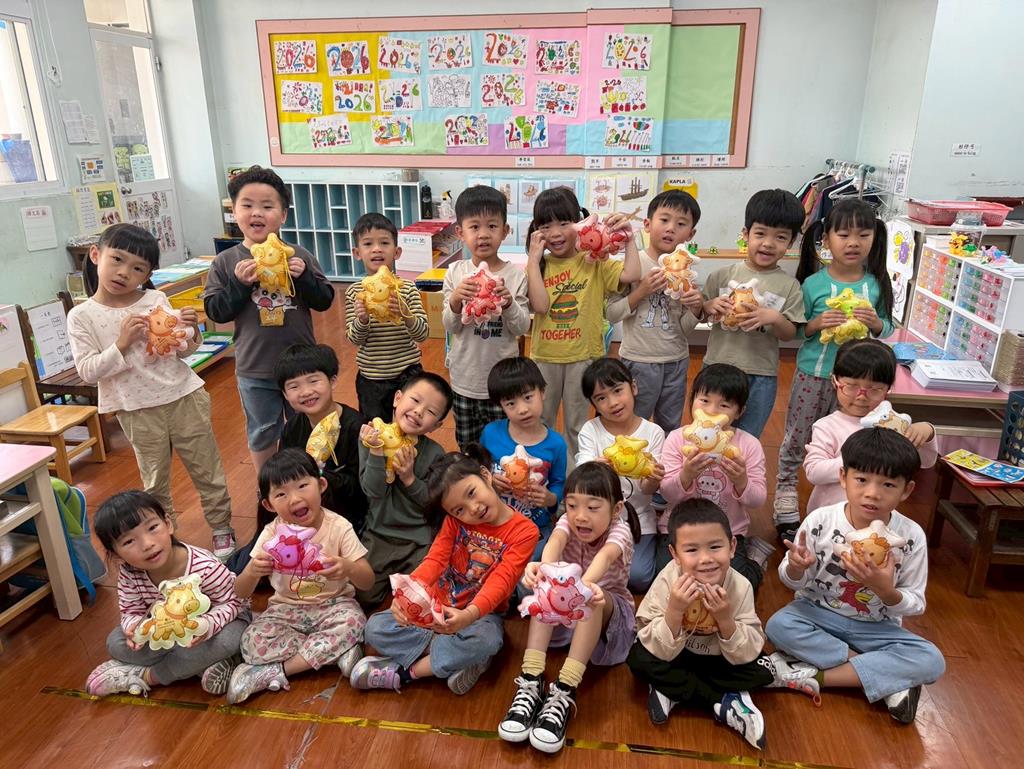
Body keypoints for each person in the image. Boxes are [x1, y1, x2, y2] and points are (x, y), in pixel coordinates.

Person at [68, 224, 236, 559]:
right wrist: (121, 343)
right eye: (117, 259)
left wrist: (191, 331)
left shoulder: (155, 299)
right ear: (96, 255)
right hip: (137, 409)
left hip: (184, 396)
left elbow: (183, 351)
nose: (124, 273)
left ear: (148, 275)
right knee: (155, 482)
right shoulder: (82, 316)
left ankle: (221, 528)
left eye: (138, 268)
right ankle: (164, 539)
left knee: (207, 469)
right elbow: (88, 371)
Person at [766, 428, 946, 725]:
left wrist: (886, 591)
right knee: (778, 625)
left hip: (876, 627)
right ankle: (887, 679)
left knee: (932, 660)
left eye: (888, 484)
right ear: (843, 477)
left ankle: (815, 677)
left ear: (907, 490)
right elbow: (790, 580)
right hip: (816, 614)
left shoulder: (910, 536)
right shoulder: (821, 521)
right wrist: (796, 568)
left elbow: (916, 602)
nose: (872, 493)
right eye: (861, 480)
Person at [627, 499, 818, 751]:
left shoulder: (740, 585)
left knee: (762, 671)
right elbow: (646, 630)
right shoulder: (668, 580)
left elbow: (749, 646)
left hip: (719, 659)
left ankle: (670, 690)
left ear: (732, 547)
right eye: (691, 550)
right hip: (678, 656)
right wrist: (674, 610)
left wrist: (726, 619)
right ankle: (723, 700)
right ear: (674, 555)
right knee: (638, 659)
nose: (706, 559)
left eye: (715, 547)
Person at [350, 448, 539, 695]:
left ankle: (408, 673)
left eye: (471, 493)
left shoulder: (525, 531)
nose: (473, 508)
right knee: (375, 628)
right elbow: (435, 560)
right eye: (459, 509)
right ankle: (459, 657)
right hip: (436, 609)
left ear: (485, 475)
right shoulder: (454, 522)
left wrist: (468, 616)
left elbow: (501, 582)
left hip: (480, 616)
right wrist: (407, 596)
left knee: (487, 639)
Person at [774, 199, 895, 540]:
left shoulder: (876, 284)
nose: (853, 243)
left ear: (874, 238)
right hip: (813, 374)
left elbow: (888, 327)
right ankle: (785, 490)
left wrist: (875, 323)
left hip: (858, 382)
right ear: (826, 239)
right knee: (799, 435)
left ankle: (843, 498)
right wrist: (816, 324)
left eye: (863, 235)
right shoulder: (812, 284)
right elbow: (795, 330)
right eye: (843, 235)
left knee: (850, 438)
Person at [498, 462, 638, 754]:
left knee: (588, 597)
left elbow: (604, 559)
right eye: (572, 505)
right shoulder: (567, 521)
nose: (580, 516)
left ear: (616, 509)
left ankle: (565, 688)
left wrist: (577, 588)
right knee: (547, 585)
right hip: (567, 609)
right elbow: (555, 541)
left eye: (593, 507)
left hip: (608, 615)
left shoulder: (620, 531)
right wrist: (546, 572)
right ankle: (531, 678)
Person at [204, 166, 335, 473]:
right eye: (247, 205)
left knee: (307, 425)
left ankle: (310, 481)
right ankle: (267, 486)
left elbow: (325, 300)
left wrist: (305, 278)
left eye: (267, 206)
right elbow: (216, 311)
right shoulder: (226, 262)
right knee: (262, 430)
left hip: (300, 366)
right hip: (254, 366)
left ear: (283, 214)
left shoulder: (298, 255)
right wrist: (239, 285)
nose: (257, 213)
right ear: (234, 212)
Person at [227, 449, 374, 704]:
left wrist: (348, 568)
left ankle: (276, 671)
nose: (294, 499)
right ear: (268, 505)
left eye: (303, 486)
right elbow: (240, 592)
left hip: (334, 606)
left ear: (321, 485)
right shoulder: (271, 535)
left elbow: (368, 581)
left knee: (355, 623)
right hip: (285, 610)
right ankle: (335, 653)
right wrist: (251, 572)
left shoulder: (339, 527)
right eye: (281, 494)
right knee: (251, 641)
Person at [84, 491, 247, 697]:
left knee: (230, 639)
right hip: (169, 633)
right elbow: (131, 611)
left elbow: (235, 603)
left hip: (218, 625)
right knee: (115, 642)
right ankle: (201, 665)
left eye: (152, 528)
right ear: (116, 555)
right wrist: (134, 629)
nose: (147, 544)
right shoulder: (129, 572)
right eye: (129, 542)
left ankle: (148, 676)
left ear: (168, 524)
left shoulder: (204, 566)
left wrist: (207, 625)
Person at [524, 186, 641, 461]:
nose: (555, 233)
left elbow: (632, 273)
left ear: (580, 223)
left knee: (577, 426)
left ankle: (575, 479)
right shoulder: (539, 265)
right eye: (545, 226)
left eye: (564, 223)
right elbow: (540, 306)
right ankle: (542, 474)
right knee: (542, 423)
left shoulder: (594, 260)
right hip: (545, 357)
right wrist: (533, 260)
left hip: (584, 356)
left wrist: (629, 238)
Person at [701, 189, 806, 438]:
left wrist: (775, 318)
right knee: (709, 431)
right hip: (718, 367)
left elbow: (790, 334)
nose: (768, 243)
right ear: (745, 234)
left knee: (747, 438)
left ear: (791, 242)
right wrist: (709, 306)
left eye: (780, 237)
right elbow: (701, 313)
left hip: (761, 374)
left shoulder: (789, 285)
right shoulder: (722, 276)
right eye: (760, 234)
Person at [659, 364, 771, 589]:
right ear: (692, 401)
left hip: (726, 531)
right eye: (704, 401)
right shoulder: (677, 438)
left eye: (724, 405)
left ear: (739, 412)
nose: (711, 410)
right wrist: (686, 474)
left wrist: (741, 481)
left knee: (739, 585)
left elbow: (758, 500)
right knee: (664, 578)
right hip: (681, 527)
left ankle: (755, 558)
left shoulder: (749, 445)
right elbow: (667, 494)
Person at [606, 190, 704, 433]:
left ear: (690, 234)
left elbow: (683, 329)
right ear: (648, 225)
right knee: (633, 424)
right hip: (638, 360)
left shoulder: (687, 271)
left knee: (669, 425)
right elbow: (612, 314)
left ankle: (664, 458)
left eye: (681, 224)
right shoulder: (632, 265)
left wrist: (696, 308)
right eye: (664, 220)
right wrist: (641, 291)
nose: (671, 228)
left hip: (676, 361)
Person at [804, 339, 937, 512]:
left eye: (874, 390)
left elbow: (925, 461)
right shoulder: (827, 426)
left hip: (878, 514)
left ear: (888, 389)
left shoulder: (892, 423)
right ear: (835, 381)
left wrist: (927, 431)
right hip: (833, 515)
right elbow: (814, 472)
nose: (861, 396)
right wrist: (861, 459)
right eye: (851, 386)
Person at [443, 186, 530, 449]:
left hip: (502, 383)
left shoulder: (515, 275)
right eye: (474, 227)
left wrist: (508, 303)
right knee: (468, 447)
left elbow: (521, 327)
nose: (483, 234)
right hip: (464, 379)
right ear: (460, 232)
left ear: (505, 230)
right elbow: (450, 326)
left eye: (492, 226)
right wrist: (456, 300)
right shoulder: (455, 272)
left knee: (504, 446)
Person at [356, 371, 453, 606]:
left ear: (436, 425)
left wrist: (409, 478)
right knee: (362, 593)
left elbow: (432, 503)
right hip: (378, 533)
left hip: (418, 539)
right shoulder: (370, 437)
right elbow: (374, 491)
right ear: (397, 398)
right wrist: (376, 451)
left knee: (420, 597)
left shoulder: (434, 453)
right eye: (415, 400)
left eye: (430, 412)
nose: (418, 411)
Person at [575, 358, 665, 593]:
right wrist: (595, 468)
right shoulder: (591, 430)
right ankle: (602, 572)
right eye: (601, 398)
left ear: (633, 387)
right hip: (598, 520)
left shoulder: (653, 432)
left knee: (639, 578)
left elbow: (647, 490)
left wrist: (654, 478)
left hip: (638, 518)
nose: (613, 403)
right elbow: (581, 475)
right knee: (576, 567)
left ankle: (603, 573)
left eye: (617, 391)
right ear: (593, 403)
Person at [480, 356, 567, 559]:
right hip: (493, 521)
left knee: (535, 568)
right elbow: (477, 469)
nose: (523, 409)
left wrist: (551, 498)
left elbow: (558, 483)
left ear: (542, 392)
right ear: (501, 405)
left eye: (528, 397)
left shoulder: (556, 444)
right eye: (511, 403)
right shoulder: (491, 433)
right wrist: (490, 481)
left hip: (536, 523)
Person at [275, 343, 368, 534]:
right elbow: (283, 474)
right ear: (285, 394)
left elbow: (361, 488)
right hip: (301, 514)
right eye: (294, 386)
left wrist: (316, 474)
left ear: (332, 381)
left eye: (313, 381)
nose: (306, 392)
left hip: (348, 519)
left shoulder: (356, 427)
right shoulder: (292, 428)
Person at [345, 212, 428, 421]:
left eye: (384, 243)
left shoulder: (407, 288)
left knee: (410, 424)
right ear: (357, 252)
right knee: (375, 428)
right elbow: (354, 339)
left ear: (397, 251)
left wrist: (405, 314)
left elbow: (422, 334)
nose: (377, 249)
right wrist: (362, 320)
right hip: (371, 377)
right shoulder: (355, 292)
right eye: (368, 244)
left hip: (407, 373)